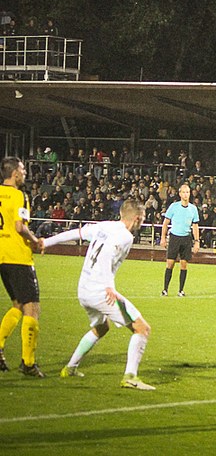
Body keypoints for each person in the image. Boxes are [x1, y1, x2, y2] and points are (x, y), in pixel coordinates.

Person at [42, 199, 155, 388]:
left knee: (102, 327)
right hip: (101, 291)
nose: (143, 222)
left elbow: (75, 233)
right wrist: (109, 286)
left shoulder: (104, 226)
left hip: (84, 289)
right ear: (136, 218)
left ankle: (70, 367)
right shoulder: (126, 237)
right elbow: (107, 254)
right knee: (142, 328)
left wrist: (46, 242)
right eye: (143, 218)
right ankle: (130, 377)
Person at [0, 157, 44, 376]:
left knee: (18, 304)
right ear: (14, 173)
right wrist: (35, 241)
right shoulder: (19, 196)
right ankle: (28, 362)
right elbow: (20, 227)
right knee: (32, 308)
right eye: (23, 169)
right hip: (18, 257)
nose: (25, 173)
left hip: (2, 257)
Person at [160, 183, 200, 297]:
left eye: (187, 192)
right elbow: (165, 223)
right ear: (180, 194)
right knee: (170, 264)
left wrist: (197, 241)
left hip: (186, 238)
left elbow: (195, 226)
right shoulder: (174, 206)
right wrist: (163, 237)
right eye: (184, 192)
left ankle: (181, 290)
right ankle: (165, 289)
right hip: (174, 237)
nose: (186, 194)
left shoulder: (193, 209)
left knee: (184, 264)